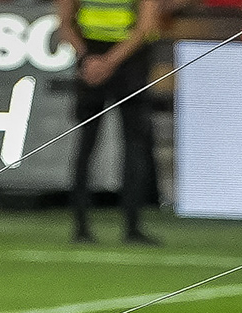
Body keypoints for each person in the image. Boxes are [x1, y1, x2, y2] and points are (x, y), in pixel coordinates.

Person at [61, 0, 164, 240]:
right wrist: (98, 60)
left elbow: (65, 23)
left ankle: (86, 228)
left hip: (114, 60)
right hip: (115, 59)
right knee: (122, 145)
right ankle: (127, 229)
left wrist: (93, 60)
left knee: (99, 145)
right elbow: (147, 24)